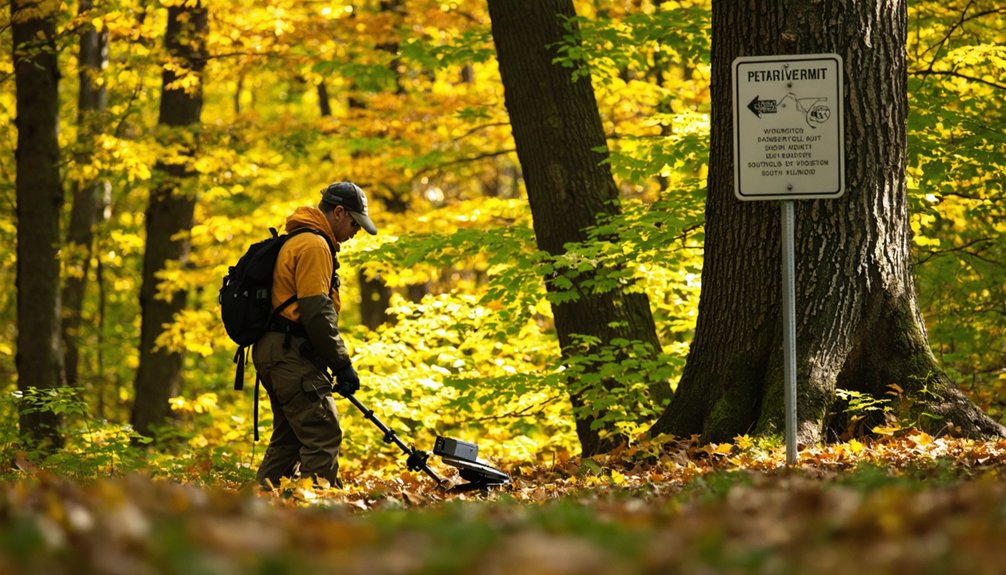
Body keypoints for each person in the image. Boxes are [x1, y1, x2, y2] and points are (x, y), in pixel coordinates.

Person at [253, 181, 378, 489]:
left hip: (277, 352)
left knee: (290, 440)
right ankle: (315, 518)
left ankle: (257, 511)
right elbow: (316, 312)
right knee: (324, 435)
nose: (355, 232)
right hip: (290, 355)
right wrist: (341, 363)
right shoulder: (313, 245)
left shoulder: (300, 240)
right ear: (338, 212)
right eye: (354, 223)